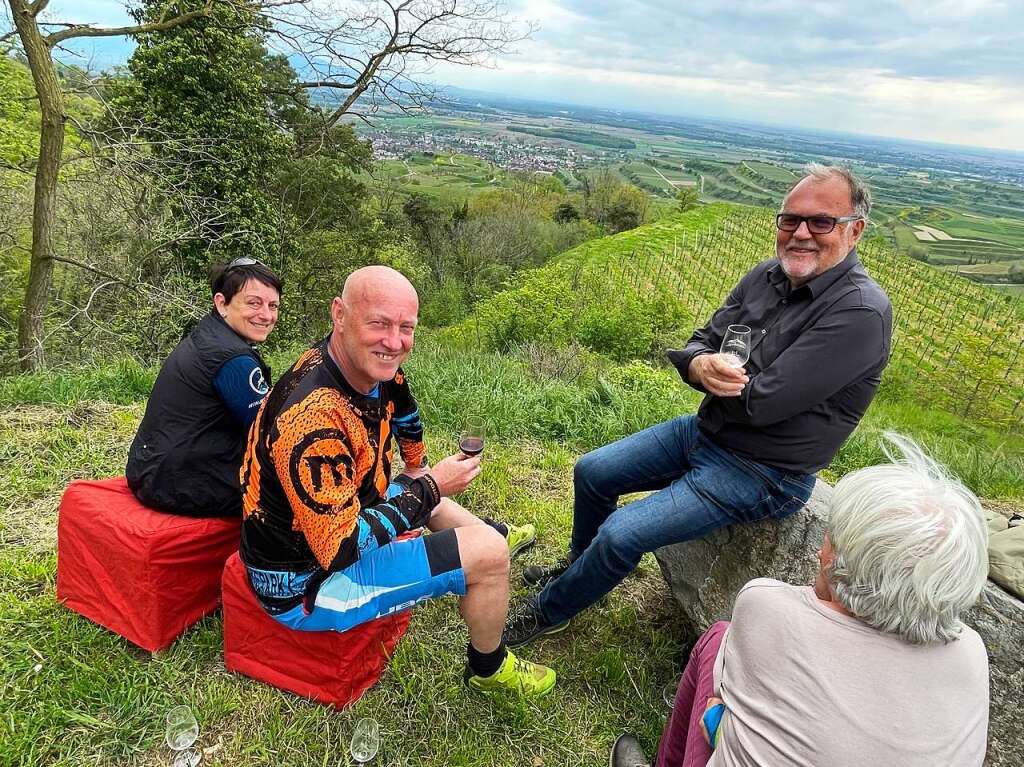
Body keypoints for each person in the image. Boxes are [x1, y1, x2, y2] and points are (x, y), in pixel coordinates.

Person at [505, 164, 893, 647]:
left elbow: (763, 405)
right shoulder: (766, 276)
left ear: (855, 230)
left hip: (765, 471)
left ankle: (551, 611)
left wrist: (707, 373)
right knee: (592, 471)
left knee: (623, 533)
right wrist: (699, 365)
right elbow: (699, 343)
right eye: (789, 219)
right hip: (705, 432)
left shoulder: (859, 312)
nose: (800, 233)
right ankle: (581, 571)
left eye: (820, 222)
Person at [238, 265, 554, 696]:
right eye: (380, 323)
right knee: (482, 546)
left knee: (421, 493)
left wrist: (418, 466)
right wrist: (431, 485)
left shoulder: (363, 364)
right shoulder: (314, 419)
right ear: (340, 315)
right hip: (306, 584)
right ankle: (489, 668)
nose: (394, 342)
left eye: (406, 327)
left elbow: (405, 409)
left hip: (330, 524)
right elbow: (341, 549)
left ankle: (490, 539)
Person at [611, 434, 990, 767]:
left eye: (831, 538)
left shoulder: (769, 608)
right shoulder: (971, 653)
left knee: (717, 640)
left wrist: (720, 722)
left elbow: (720, 716)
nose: (819, 552)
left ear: (839, 560)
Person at [126, 257, 281, 517]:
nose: (266, 315)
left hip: (149, 468)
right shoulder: (233, 359)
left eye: (273, 305)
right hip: (182, 485)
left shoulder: (208, 335)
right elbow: (271, 432)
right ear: (222, 303)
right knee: (292, 491)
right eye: (254, 303)